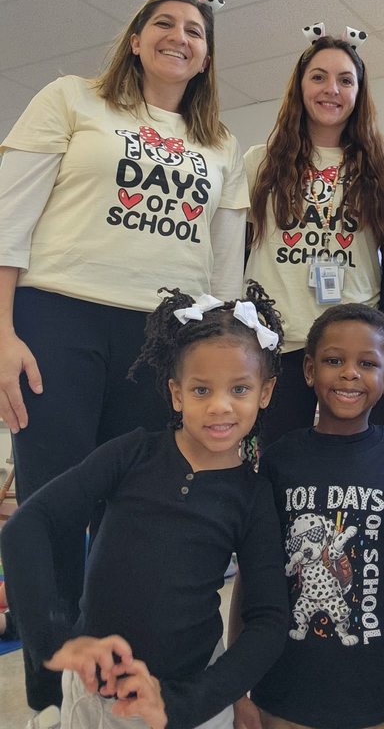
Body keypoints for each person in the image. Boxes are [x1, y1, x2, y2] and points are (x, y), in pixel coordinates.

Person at [0, 0, 249, 710]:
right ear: (135, 40)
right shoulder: (72, 99)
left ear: (207, 55)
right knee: (53, 512)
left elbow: (223, 270)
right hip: (59, 322)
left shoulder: (220, 143)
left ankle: (124, 689)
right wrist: (4, 333)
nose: (179, 36)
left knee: (138, 517)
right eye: (163, 24)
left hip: (163, 340)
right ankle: (54, 699)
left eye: (195, 30)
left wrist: (223, 362)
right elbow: (9, 219)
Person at [1, 282, 289, 729]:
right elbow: (28, 525)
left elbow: (269, 622)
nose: (219, 407)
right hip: (95, 698)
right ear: (176, 394)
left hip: (184, 702)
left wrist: (190, 703)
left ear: (264, 393)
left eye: (238, 389)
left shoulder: (253, 496)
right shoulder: (130, 453)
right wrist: (55, 640)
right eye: (200, 391)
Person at [234, 303, 384, 729]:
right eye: (334, 361)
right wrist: (237, 691)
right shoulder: (280, 461)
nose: (349, 373)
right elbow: (253, 574)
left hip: (383, 697)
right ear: (309, 370)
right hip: (285, 695)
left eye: (367, 363)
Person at [246, 30, 384, 445]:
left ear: (359, 91)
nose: (331, 89)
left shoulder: (382, 169)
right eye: (318, 77)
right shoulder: (258, 163)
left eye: (345, 80)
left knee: (369, 470)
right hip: (276, 344)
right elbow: (234, 252)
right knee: (277, 469)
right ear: (300, 87)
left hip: (357, 348)